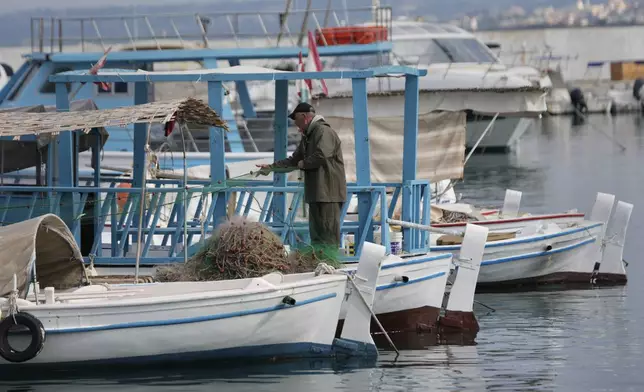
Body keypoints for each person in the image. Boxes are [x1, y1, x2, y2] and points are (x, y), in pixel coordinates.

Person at [257, 102, 347, 256]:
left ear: (304, 117)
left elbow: (322, 155)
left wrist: (302, 164)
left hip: (328, 193)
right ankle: (320, 262)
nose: (296, 124)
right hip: (317, 193)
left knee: (328, 233)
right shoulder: (308, 136)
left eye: (296, 120)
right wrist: (271, 168)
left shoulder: (323, 131)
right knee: (317, 234)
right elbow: (293, 160)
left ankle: (330, 263)